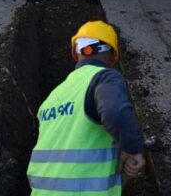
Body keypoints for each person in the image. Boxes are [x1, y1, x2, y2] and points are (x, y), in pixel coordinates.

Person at [26, 21, 145, 195]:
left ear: (75, 52)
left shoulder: (52, 97)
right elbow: (115, 113)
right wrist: (133, 149)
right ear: (112, 57)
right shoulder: (104, 77)